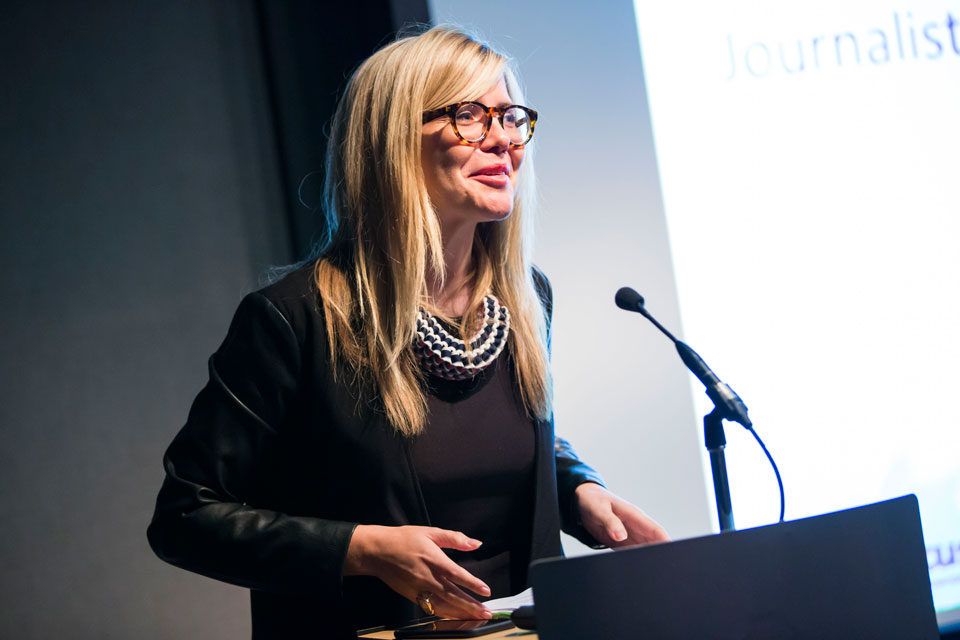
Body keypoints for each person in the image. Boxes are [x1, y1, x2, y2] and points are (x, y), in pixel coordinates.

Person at [146, 25, 668, 638]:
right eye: (469, 115)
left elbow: (506, 443)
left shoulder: (527, 298)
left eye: (510, 116)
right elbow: (185, 516)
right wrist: (361, 549)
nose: (502, 139)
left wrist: (580, 491)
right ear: (394, 140)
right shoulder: (294, 319)